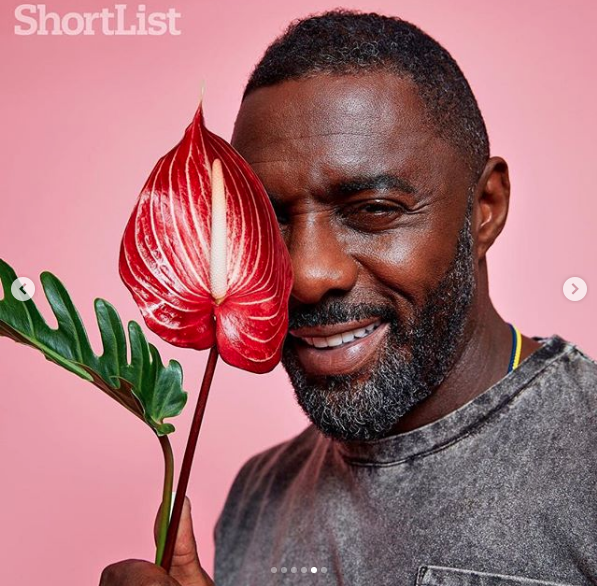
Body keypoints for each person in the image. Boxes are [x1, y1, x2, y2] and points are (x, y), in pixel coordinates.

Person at [100, 10, 597, 586]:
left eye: (374, 210)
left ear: (484, 208)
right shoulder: (257, 499)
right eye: (268, 220)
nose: (307, 276)